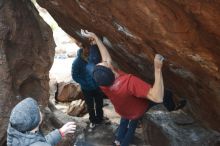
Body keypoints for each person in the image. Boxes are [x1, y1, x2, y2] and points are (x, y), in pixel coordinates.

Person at [81, 30, 186, 146]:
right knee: (165, 94)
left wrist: (96, 38)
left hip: (123, 109)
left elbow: (106, 58)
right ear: (110, 68)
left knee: (125, 118)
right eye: (104, 63)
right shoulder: (129, 82)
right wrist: (157, 69)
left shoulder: (102, 81)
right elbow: (157, 97)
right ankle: (172, 108)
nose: (104, 60)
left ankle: (117, 141)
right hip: (138, 109)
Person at [7, 97, 76, 146]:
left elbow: (38, 142)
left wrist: (60, 133)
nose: (40, 110)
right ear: (35, 122)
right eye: (38, 110)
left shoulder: (15, 135)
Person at [71, 40, 105, 132]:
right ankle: (93, 120)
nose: (89, 50)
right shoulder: (77, 62)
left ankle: (100, 119)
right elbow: (74, 76)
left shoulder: (93, 57)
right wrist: (84, 82)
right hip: (86, 88)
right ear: (83, 48)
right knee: (90, 106)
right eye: (87, 48)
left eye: (90, 48)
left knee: (99, 104)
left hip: (97, 86)